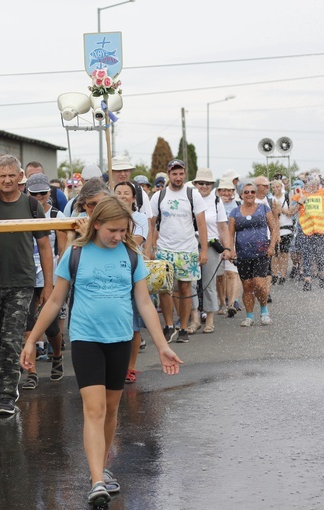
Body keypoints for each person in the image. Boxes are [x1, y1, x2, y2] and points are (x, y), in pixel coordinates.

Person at [20, 196, 182, 508]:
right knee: (93, 410)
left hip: (120, 340)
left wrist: (163, 346)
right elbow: (54, 300)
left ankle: (103, 466)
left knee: (110, 411)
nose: (119, 236)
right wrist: (31, 340)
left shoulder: (130, 254)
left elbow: (145, 303)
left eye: (123, 230)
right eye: (113, 230)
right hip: (86, 339)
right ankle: (96, 480)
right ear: (96, 225)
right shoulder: (76, 253)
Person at [0, 154, 53, 416]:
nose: (8, 180)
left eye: (13, 175)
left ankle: (7, 394)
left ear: (21, 177)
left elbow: (45, 246)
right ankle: (7, 375)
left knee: (12, 339)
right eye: (3, 176)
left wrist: (48, 285)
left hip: (21, 283)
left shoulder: (32, 205)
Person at [149, 159, 208, 344]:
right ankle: (168, 325)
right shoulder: (158, 196)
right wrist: (151, 248)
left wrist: (204, 249)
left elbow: (201, 223)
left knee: (185, 288)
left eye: (181, 173)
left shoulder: (193, 195)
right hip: (165, 249)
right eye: (174, 174)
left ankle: (183, 327)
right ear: (169, 174)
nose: (178, 177)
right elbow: (151, 224)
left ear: (185, 174)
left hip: (188, 249)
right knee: (164, 288)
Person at [21, 173, 67, 390]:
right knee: (28, 320)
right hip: (27, 272)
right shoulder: (23, 212)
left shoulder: (57, 214)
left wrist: (57, 280)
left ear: (50, 192)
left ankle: (57, 355)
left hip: (51, 272)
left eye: (43, 193)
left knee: (49, 324)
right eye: (34, 193)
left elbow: (63, 248)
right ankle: (31, 371)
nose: (39, 197)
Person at [113, 181, 148, 383]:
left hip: (133, 273)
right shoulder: (106, 218)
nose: (123, 196)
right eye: (118, 192)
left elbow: (135, 241)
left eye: (127, 193)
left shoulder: (140, 218)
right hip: (112, 275)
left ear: (134, 198)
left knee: (133, 324)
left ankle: (130, 367)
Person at [228, 183, 278, 326]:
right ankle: (249, 316)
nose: (249, 194)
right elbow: (230, 233)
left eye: (252, 192)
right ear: (241, 195)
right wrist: (231, 250)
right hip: (243, 254)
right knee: (247, 286)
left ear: (255, 194)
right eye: (246, 192)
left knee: (259, 284)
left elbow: (274, 228)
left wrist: (272, 246)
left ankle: (264, 311)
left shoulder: (263, 208)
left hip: (262, 252)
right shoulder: (235, 212)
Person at [192, 168, 231, 334]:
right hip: (192, 245)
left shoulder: (216, 201)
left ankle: (209, 318)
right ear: (195, 184)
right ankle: (194, 319)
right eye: (201, 183)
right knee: (191, 283)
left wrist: (228, 247)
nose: (204, 186)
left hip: (211, 245)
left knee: (209, 283)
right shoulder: (190, 198)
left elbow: (222, 226)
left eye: (207, 183)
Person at [288, 174, 324, 291]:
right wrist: (299, 203)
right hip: (306, 229)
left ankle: (321, 274)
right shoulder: (300, 194)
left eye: (317, 184)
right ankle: (307, 279)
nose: (315, 187)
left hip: (322, 230)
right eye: (313, 185)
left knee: (320, 255)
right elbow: (290, 211)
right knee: (307, 254)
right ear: (308, 184)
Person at [216, 178, 242, 316]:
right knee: (220, 276)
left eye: (229, 190)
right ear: (219, 191)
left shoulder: (238, 204)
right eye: (223, 190)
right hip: (217, 244)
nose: (226, 193)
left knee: (232, 273)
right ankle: (222, 302)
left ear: (233, 191)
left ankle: (232, 303)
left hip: (234, 243)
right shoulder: (213, 203)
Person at [270, 179, 293, 285]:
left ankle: (283, 274)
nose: (275, 189)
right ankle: (275, 274)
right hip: (274, 229)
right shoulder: (270, 199)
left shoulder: (287, 197)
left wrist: (281, 209)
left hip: (286, 228)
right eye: (273, 187)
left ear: (281, 187)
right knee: (274, 253)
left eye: (277, 187)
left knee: (284, 252)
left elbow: (291, 213)